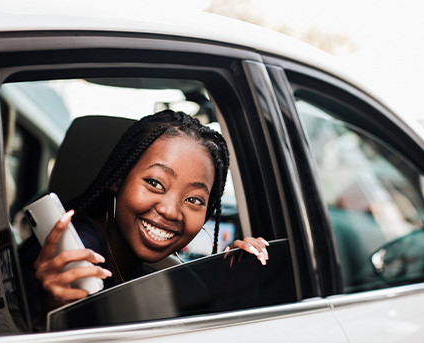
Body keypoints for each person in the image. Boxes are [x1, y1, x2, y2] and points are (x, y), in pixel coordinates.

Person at [20, 110, 269, 326]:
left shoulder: (134, 263)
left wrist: (230, 284)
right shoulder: (74, 258)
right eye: (154, 183)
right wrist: (51, 314)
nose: (170, 211)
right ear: (119, 179)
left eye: (194, 200)